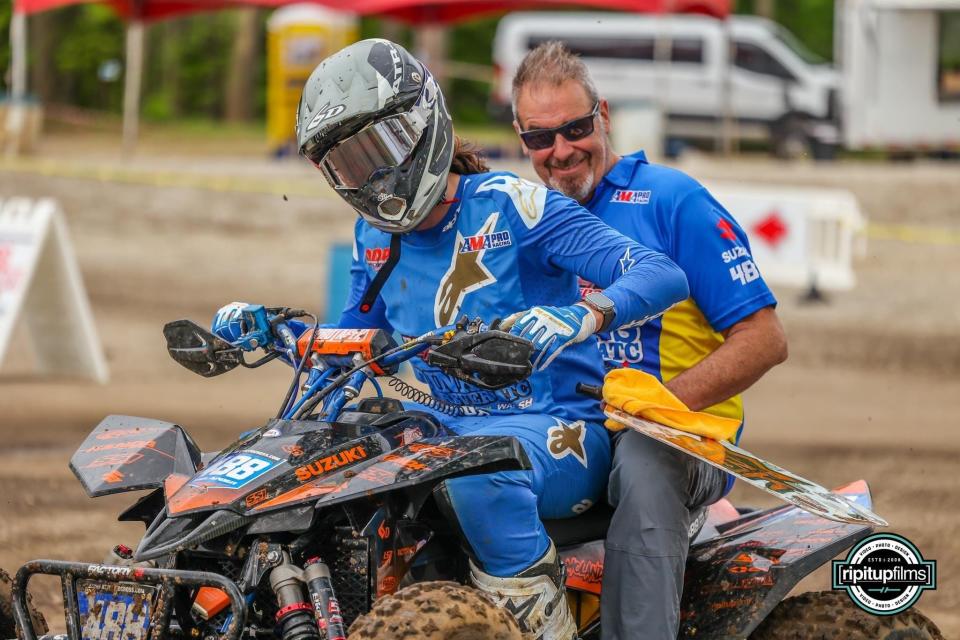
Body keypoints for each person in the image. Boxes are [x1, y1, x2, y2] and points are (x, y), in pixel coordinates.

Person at [216, 39, 688, 640]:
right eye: (348, 164)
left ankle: (542, 627)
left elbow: (659, 273)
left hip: (554, 425)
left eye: (378, 150)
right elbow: (350, 339)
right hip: (441, 422)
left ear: (422, 126)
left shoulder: (514, 205)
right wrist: (274, 328)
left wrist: (582, 315)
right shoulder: (374, 237)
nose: (369, 176)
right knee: (319, 462)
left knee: (473, 474)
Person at [511, 42, 789, 640]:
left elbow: (764, 338)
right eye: (540, 139)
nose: (560, 152)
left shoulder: (672, 200)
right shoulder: (524, 215)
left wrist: (661, 403)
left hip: (680, 437)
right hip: (570, 431)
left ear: (603, 115)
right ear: (521, 139)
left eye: (576, 129)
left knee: (644, 456)